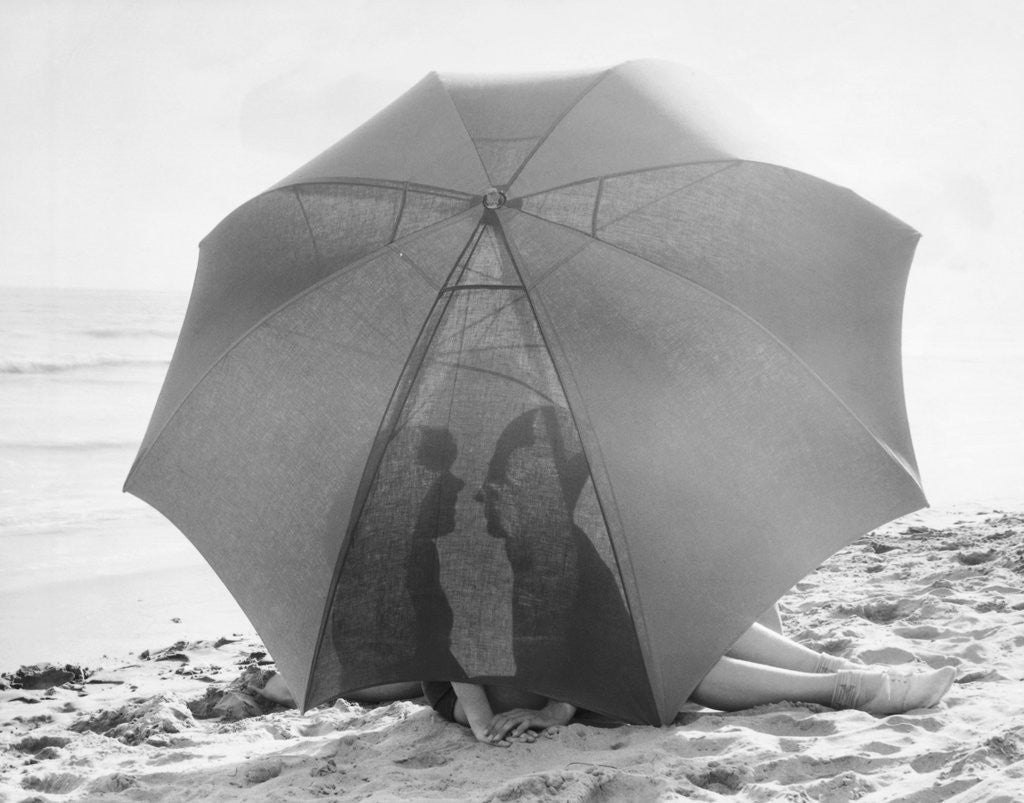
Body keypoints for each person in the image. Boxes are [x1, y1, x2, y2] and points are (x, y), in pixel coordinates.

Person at [425, 406, 955, 746]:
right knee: (670, 664)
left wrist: (561, 706)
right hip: (486, 691)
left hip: (558, 677)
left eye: (539, 479)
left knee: (673, 623)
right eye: (509, 477)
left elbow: (601, 631)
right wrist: (487, 720)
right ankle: (847, 688)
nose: (498, 491)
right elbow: (445, 643)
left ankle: (834, 668)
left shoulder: (568, 541)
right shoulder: (480, 553)